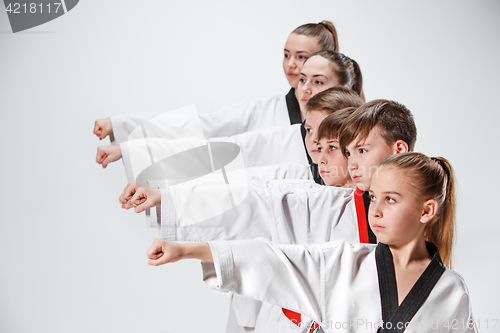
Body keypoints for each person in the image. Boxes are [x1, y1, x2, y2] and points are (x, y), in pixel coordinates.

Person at [124, 99, 416, 332]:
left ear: (398, 150)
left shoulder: (422, 221)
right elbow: (262, 199)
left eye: (361, 150)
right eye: (349, 152)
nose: (351, 162)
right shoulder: (333, 203)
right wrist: (170, 198)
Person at [145, 152, 477, 333]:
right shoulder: (345, 261)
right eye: (373, 197)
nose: (375, 210)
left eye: (390, 200)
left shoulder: (451, 291)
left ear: (426, 210)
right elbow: (274, 260)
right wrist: (187, 250)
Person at [93, 21, 339, 169]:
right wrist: (123, 131)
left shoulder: (348, 118)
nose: (291, 65)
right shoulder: (261, 111)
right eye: (286, 55)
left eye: (302, 57)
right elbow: (202, 128)